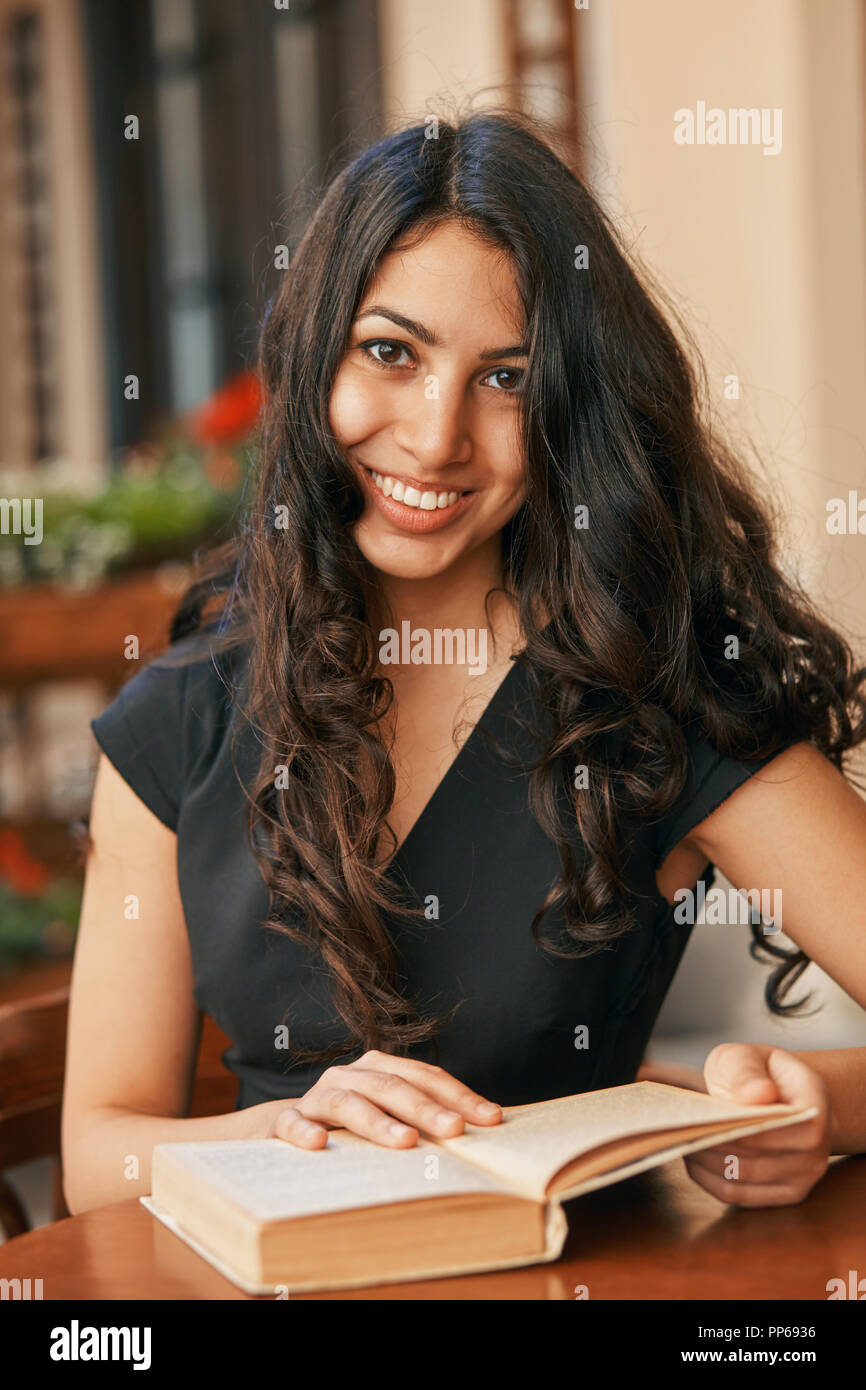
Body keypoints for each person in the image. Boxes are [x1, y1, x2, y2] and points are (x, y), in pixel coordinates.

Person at [63, 109, 866, 1217]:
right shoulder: (180, 722)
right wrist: (286, 1133)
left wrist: (817, 1097)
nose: (437, 436)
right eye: (389, 352)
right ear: (314, 360)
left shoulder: (654, 701)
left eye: (505, 378)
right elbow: (97, 1150)